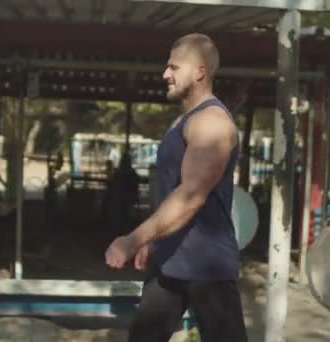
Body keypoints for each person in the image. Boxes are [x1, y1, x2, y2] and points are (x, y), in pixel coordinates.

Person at [104, 33, 247, 341]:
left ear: (199, 72)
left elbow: (191, 196)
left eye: (174, 67)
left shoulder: (212, 123)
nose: (165, 74)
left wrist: (132, 239)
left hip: (207, 265)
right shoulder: (184, 120)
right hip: (169, 260)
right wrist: (154, 240)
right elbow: (173, 189)